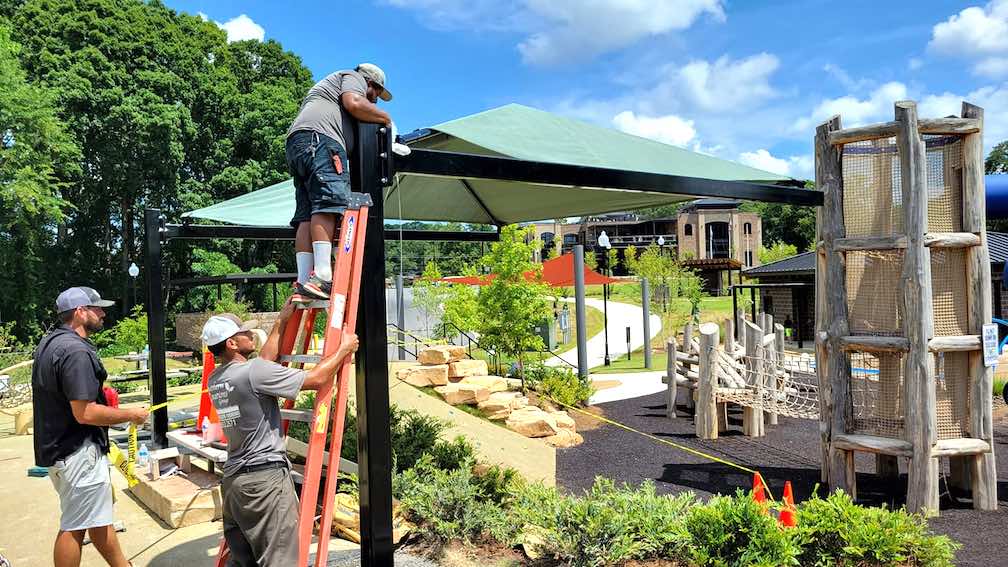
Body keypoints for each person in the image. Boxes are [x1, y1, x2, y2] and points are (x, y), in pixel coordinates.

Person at [201, 298, 358, 566]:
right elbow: (316, 379)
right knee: (279, 560)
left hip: (234, 486)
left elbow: (264, 362)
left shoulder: (218, 379)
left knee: (244, 561)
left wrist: (282, 321)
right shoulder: (253, 372)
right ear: (232, 344)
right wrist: (343, 349)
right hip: (264, 484)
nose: (251, 334)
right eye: (244, 333)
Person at [32, 287, 149, 567]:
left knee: (95, 516)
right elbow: (85, 413)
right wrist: (130, 413)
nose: (103, 313)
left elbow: (67, 396)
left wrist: (99, 395)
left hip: (59, 450)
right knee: (73, 527)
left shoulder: (50, 344)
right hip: (78, 452)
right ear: (79, 312)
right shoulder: (75, 351)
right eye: (97, 309)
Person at [286, 63, 393, 303]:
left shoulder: (324, 95)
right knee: (328, 205)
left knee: (306, 215)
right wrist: (387, 120)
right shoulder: (352, 77)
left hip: (299, 145)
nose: (375, 102)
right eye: (376, 94)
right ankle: (323, 276)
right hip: (321, 142)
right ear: (370, 83)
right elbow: (354, 103)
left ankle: (304, 282)